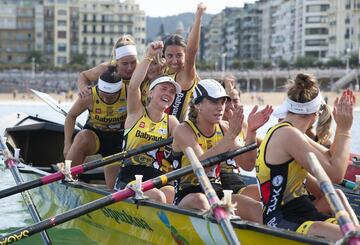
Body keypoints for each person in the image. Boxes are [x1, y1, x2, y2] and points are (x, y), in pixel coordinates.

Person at [256, 73, 356, 242]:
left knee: (354, 230)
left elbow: (331, 157)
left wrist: (340, 126)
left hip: (304, 213)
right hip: (280, 219)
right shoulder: (287, 135)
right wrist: (345, 130)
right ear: (316, 113)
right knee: (349, 235)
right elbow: (335, 174)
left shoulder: (292, 132)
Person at [172, 79, 272, 223]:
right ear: (198, 105)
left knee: (255, 208)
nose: (220, 107)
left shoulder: (225, 128)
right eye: (214, 102)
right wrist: (231, 136)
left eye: (223, 102)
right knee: (201, 201)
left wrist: (251, 132)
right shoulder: (183, 130)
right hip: (187, 194)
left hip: (217, 193)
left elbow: (247, 164)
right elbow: (201, 168)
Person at [114, 41, 181, 204]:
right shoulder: (136, 112)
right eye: (163, 89)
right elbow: (133, 86)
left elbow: (188, 143)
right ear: (150, 93)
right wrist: (149, 56)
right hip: (130, 178)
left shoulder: (171, 122)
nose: (168, 93)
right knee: (158, 196)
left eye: (172, 91)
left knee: (171, 192)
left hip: (159, 179)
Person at [64, 66, 126, 188]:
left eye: (110, 97)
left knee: (114, 187)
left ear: (119, 92)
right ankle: (68, 179)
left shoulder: (129, 94)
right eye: (102, 95)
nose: (105, 99)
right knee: (81, 138)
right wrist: (67, 144)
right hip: (94, 136)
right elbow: (71, 116)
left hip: (117, 141)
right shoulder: (89, 95)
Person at [163, 3, 206, 121]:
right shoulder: (163, 72)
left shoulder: (186, 74)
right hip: (157, 132)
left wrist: (198, 18)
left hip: (177, 134)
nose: (174, 60)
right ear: (164, 56)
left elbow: (192, 51)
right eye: (169, 56)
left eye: (179, 55)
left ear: (185, 55)